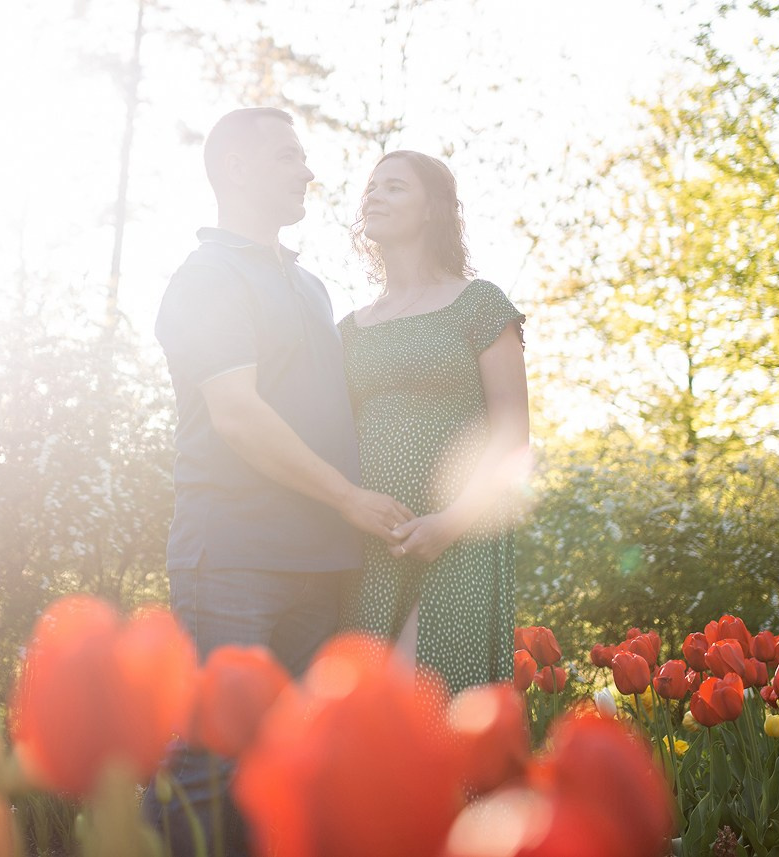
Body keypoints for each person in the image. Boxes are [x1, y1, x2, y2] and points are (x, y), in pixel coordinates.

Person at [143, 107, 412, 857]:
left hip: (320, 563)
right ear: (235, 167)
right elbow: (238, 417)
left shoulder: (312, 287)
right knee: (208, 763)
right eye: (290, 156)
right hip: (234, 558)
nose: (309, 171)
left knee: (281, 770)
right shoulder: (207, 277)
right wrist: (350, 498)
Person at [339, 150, 530, 694]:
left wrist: (450, 522)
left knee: (431, 708)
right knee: (371, 720)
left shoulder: (479, 305)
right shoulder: (348, 329)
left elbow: (513, 434)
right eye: (371, 187)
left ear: (433, 210)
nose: (373, 196)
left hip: (461, 537)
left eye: (394, 187)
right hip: (371, 544)